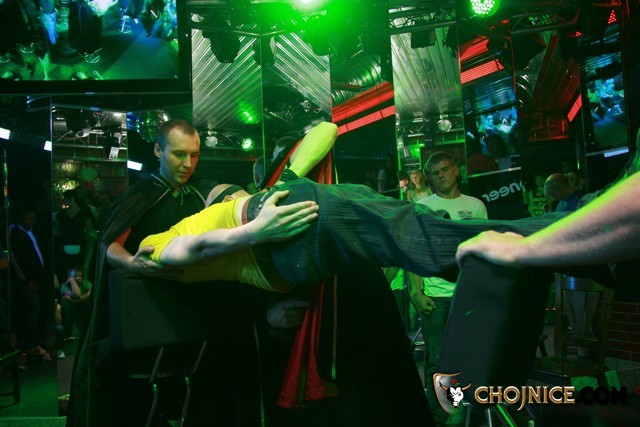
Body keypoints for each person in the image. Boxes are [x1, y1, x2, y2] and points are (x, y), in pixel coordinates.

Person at [68, 119, 338, 427]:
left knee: (210, 400)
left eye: (194, 155)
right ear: (158, 150)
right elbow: (109, 244)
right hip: (153, 317)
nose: (188, 163)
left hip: (207, 314)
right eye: (179, 154)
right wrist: (131, 263)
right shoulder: (140, 194)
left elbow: (233, 201)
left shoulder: (206, 189)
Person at [408, 152, 487, 426]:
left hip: (468, 296)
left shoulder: (476, 206)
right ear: (429, 179)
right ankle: (442, 418)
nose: (440, 175)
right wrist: (416, 292)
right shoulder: (422, 206)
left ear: (456, 170)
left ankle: (468, 414)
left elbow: (484, 251)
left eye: (444, 169)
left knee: (470, 357)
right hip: (436, 296)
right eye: (435, 172)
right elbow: (414, 252)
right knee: (439, 362)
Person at [456, 170, 640, 268]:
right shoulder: (563, 204)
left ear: (557, 190)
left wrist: (519, 249)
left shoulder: (575, 201)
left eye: (552, 194)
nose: (552, 198)